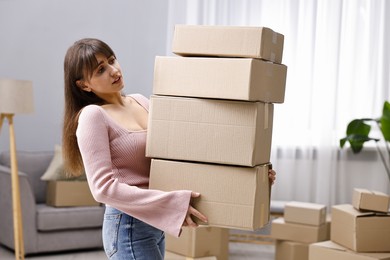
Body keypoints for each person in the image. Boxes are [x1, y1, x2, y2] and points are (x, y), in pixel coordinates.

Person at [62, 38, 277, 260]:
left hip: (154, 223)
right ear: (83, 85)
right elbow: (102, 188)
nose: (114, 70)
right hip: (128, 226)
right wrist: (171, 203)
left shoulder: (141, 102)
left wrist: (252, 176)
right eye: (100, 70)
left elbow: (183, 154)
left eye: (112, 60)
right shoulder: (92, 116)